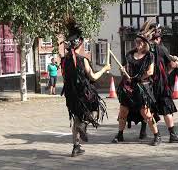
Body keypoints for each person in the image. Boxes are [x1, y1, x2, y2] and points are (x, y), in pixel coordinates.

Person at [62, 21, 111, 157]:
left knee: (76, 118)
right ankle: (83, 125)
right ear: (80, 43)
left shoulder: (64, 60)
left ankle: (76, 147)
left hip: (71, 95)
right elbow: (93, 77)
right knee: (95, 109)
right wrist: (105, 68)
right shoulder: (82, 60)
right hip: (84, 94)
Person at [138, 26, 178, 143]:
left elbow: (165, 69)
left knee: (149, 110)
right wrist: (177, 64)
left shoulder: (143, 51)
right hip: (160, 85)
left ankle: (148, 133)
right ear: (158, 39)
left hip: (147, 85)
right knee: (166, 110)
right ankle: (172, 134)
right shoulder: (161, 48)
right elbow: (171, 65)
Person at [112, 34, 161, 146]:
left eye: (140, 41)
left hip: (142, 87)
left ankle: (157, 135)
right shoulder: (129, 55)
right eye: (136, 41)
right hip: (128, 88)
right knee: (123, 111)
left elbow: (150, 72)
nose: (138, 43)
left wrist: (137, 79)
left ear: (145, 43)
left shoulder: (149, 56)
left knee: (146, 113)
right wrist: (123, 69)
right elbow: (126, 67)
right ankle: (120, 134)